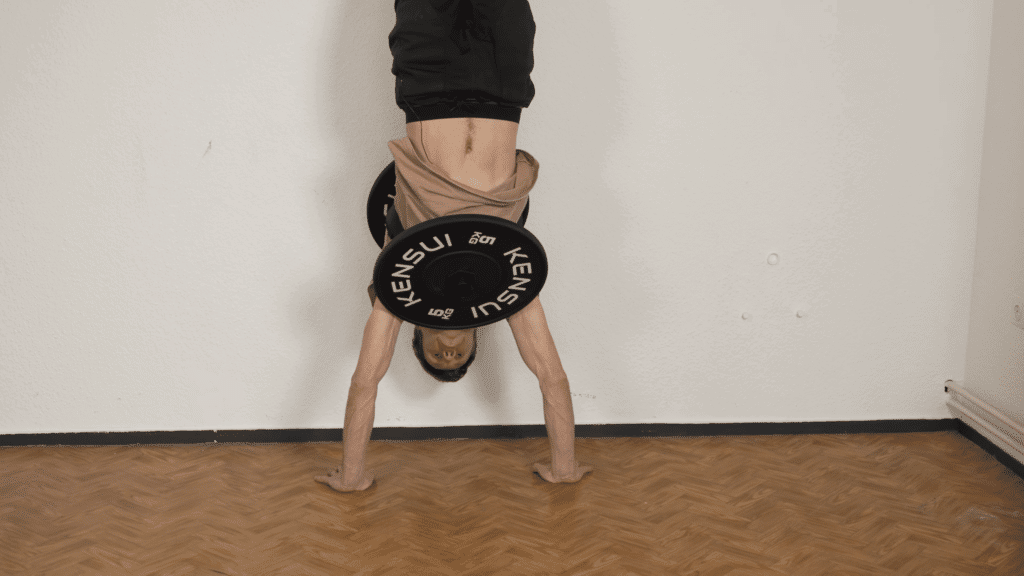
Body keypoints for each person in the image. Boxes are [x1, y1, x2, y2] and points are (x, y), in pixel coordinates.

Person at [315, 0, 593, 492]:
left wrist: (354, 476)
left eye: (437, 355)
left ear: (417, 336)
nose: (448, 347)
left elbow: (365, 381)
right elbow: (551, 375)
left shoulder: (400, 292)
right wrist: (563, 467)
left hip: (430, 83)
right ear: (476, 339)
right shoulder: (505, 287)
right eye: (457, 357)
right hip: (501, 86)